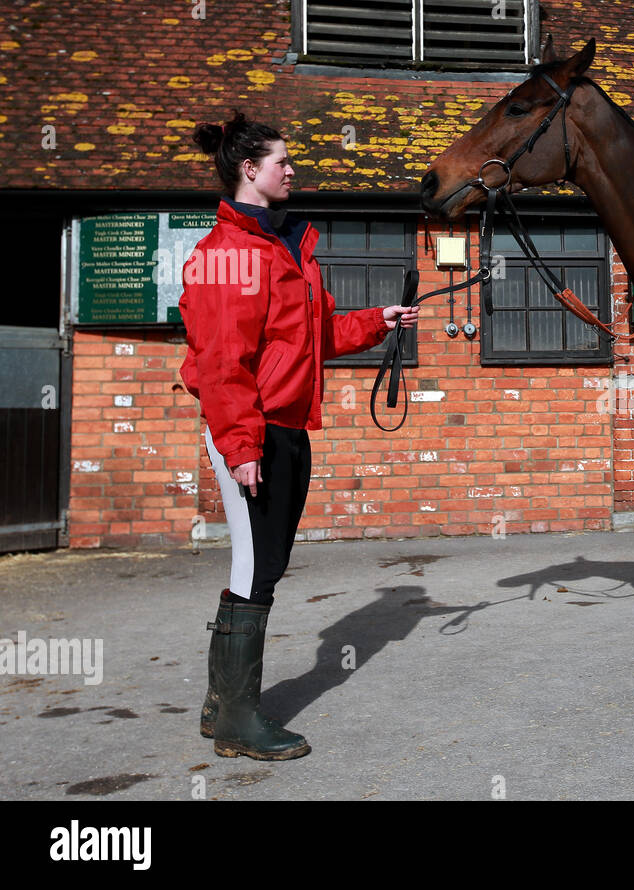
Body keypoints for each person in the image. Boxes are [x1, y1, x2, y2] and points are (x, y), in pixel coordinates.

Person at [179, 110, 420, 760]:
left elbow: (314, 337)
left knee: (263, 564)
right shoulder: (225, 258)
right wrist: (241, 448)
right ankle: (236, 720)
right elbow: (222, 365)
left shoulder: (285, 246)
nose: (292, 169)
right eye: (281, 161)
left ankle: (219, 705)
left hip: (286, 426)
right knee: (257, 567)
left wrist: (377, 322)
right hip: (253, 430)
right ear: (248, 170)